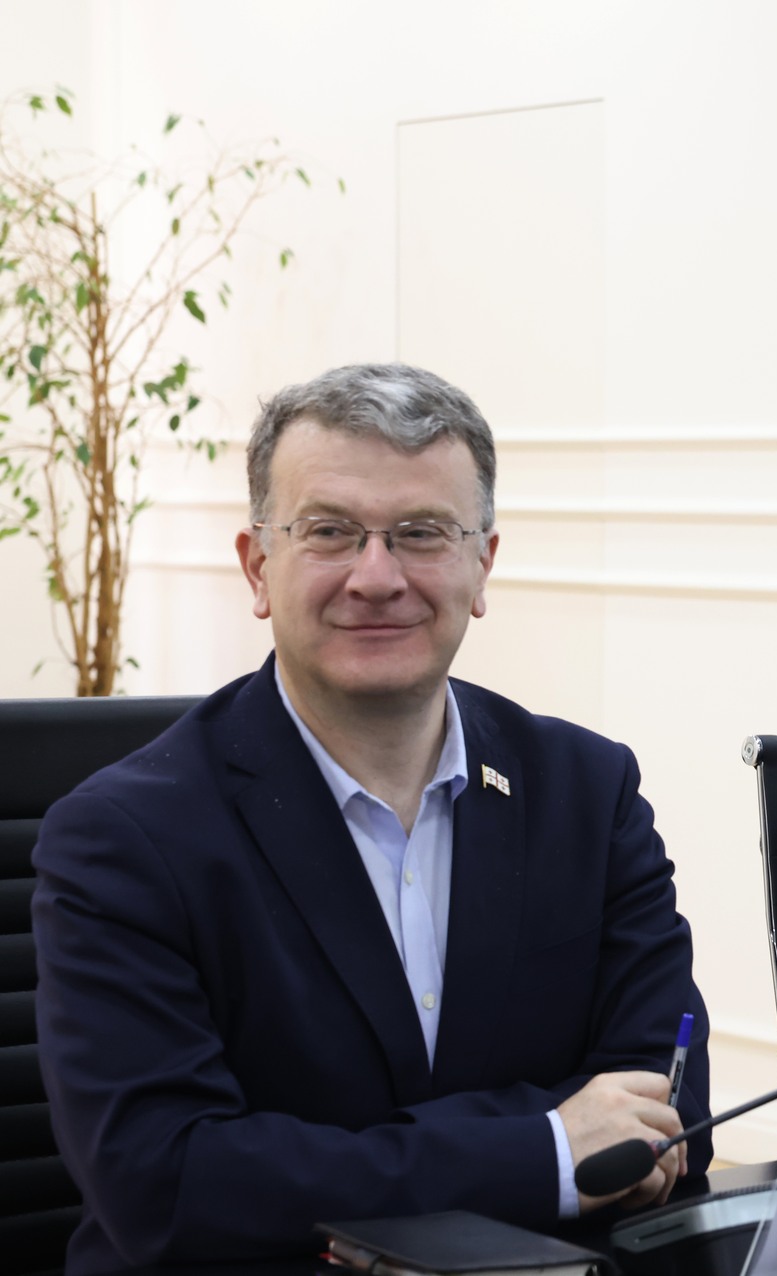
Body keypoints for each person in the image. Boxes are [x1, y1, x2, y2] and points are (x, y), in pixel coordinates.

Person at [32, 365, 712, 1273]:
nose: (377, 576)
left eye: (421, 533)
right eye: (330, 532)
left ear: (482, 566)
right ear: (257, 566)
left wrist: (325, 1157)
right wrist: (542, 1149)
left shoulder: (589, 791)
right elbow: (170, 1182)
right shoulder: (121, 838)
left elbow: (669, 1113)